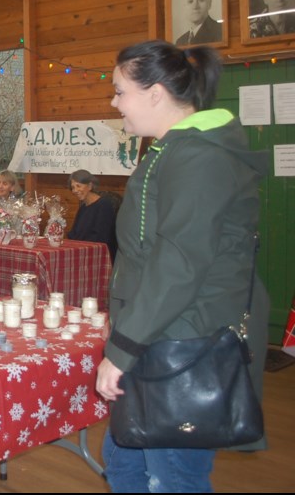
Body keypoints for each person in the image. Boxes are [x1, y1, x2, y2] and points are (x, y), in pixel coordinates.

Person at [95, 40, 269, 492]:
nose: (115, 104)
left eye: (119, 92)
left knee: (172, 475)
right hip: (162, 334)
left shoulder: (200, 156)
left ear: (154, 93)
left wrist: (122, 349)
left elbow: (178, 264)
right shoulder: (174, 151)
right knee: (124, 456)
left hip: (183, 342)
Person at [66, 169, 117, 261]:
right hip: (81, 253)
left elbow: (100, 238)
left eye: (78, 186)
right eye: (73, 187)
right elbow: (74, 234)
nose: (75, 190)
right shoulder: (83, 207)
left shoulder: (104, 205)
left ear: (90, 186)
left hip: (97, 257)